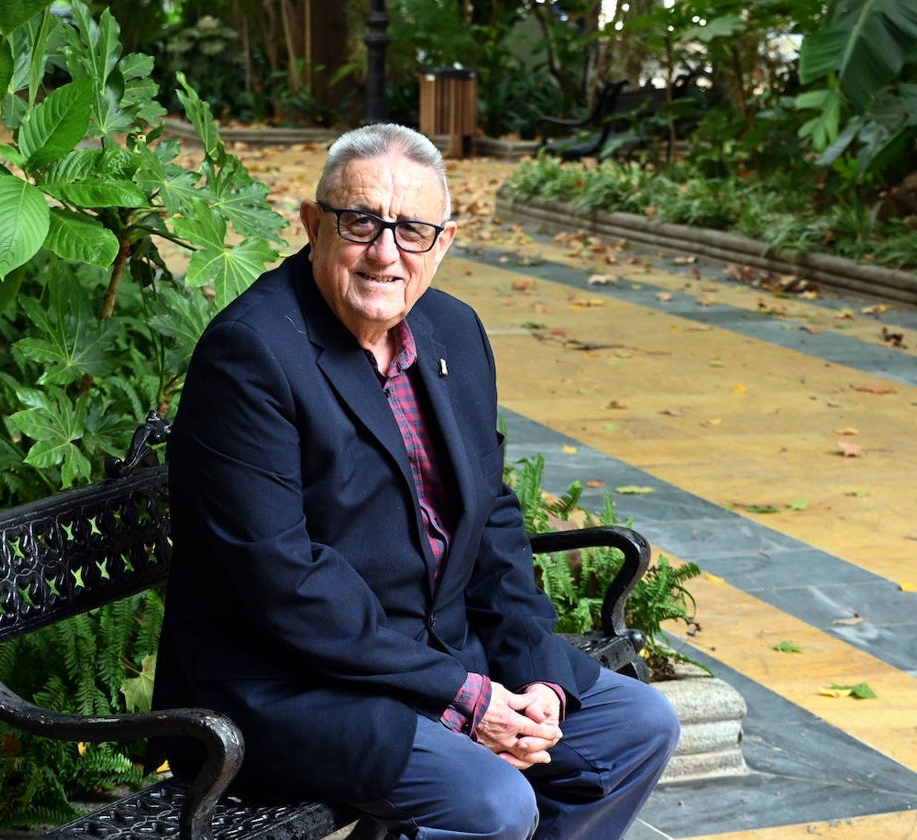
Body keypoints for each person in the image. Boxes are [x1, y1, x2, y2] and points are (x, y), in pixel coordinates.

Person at [153, 123, 680, 840]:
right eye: (361, 222)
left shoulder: (452, 331)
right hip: (287, 686)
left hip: (436, 660)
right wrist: (468, 698)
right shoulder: (250, 355)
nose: (385, 253)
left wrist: (538, 681)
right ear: (312, 225)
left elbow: (492, 517)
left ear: (445, 241)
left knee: (637, 726)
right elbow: (283, 581)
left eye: (413, 230)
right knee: (491, 802)